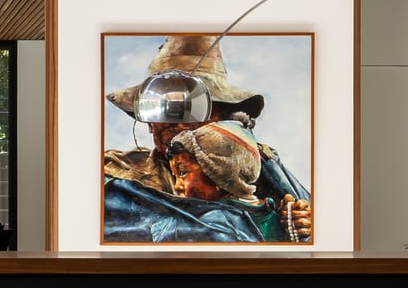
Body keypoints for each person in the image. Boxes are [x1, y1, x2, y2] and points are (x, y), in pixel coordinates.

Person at [102, 39, 312, 245]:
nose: (167, 132)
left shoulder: (262, 168)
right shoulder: (119, 179)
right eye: (158, 118)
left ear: (223, 118)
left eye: (187, 114)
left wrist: (301, 225)